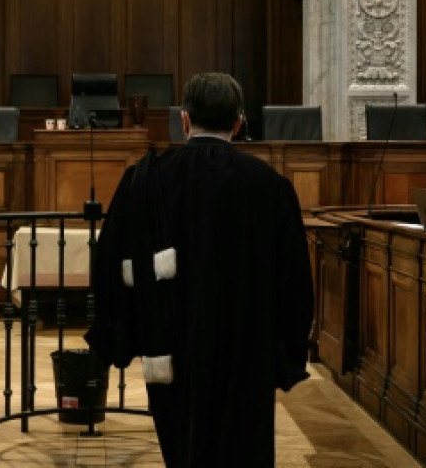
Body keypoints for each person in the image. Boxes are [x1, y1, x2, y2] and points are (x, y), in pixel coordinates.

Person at [85, 72, 313, 468]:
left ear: (184, 119)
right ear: (239, 123)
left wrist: (121, 336)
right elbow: (294, 282)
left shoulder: (145, 178)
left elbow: (110, 262)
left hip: (172, 348)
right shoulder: (271, 186)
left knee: (182, 446)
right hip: (248, 351)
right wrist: (283, 356)